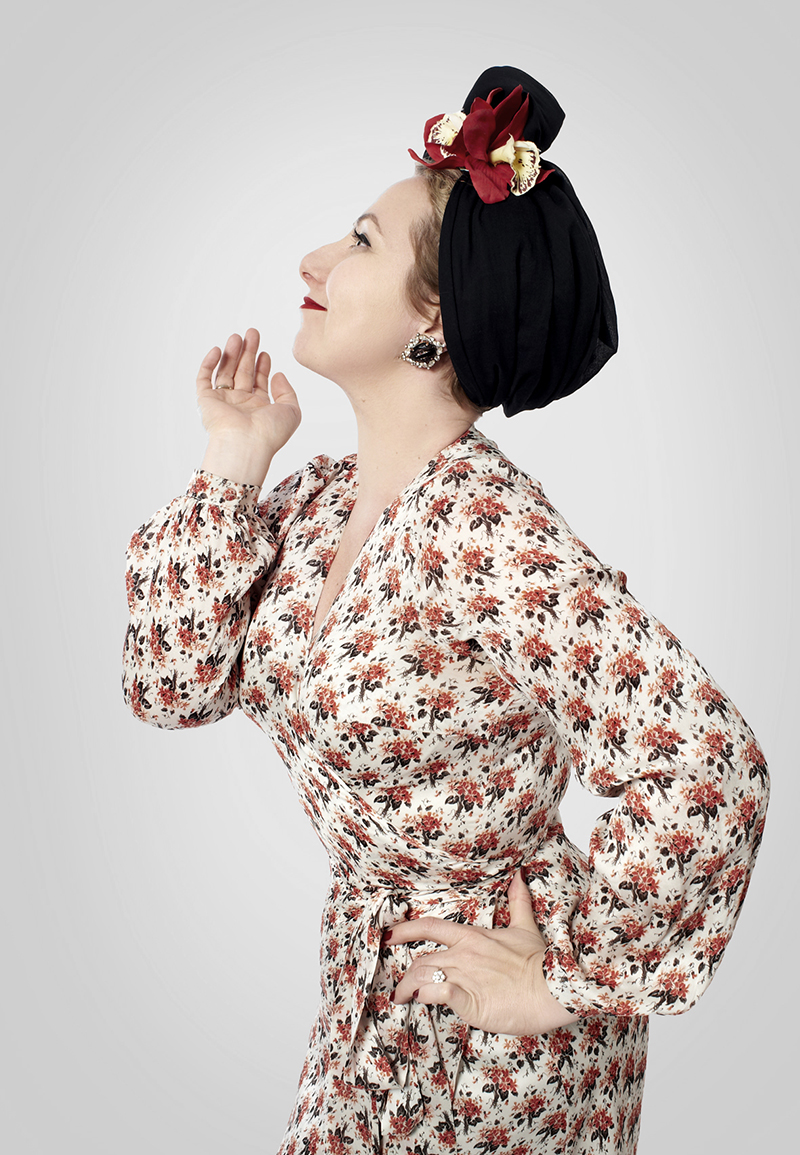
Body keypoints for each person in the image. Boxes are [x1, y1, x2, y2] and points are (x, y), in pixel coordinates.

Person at [122, 67, 769, 1154]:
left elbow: (709, 764)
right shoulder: (318, 505)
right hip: (370, 1000)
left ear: (433, 315)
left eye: (359, 242)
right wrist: (232, 459)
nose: (313, 261)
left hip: (491, 1039)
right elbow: (169, 686)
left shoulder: (483, 531)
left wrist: (565, 981)